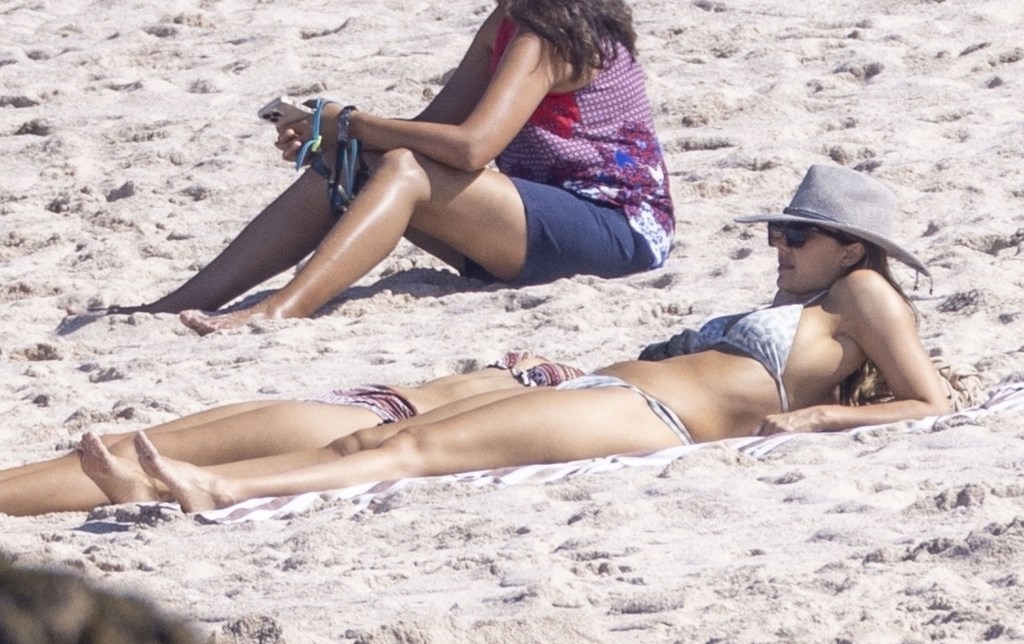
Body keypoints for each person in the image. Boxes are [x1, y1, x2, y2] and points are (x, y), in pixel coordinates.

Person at [85, 164, 954, 513]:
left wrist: (819, 422)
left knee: (417, 447)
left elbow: (932, 402)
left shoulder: (866, 294)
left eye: (796, 237)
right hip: (604, 393)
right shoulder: (816, 302)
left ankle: (218, 491)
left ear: (849, 247)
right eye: (776, 233)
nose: (779, 247)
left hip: (649, 417)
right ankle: (182, 481)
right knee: (377, 434)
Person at [104, 0, 674, 334]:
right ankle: (182, 302)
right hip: (538, 223)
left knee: (395, 166)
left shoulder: (551, 32)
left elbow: (471, 149)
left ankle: (282, 309)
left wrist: (348, 121)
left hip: (618, 228)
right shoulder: (511, 18)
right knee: (354, 165)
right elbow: (439, 129)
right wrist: (333, 137)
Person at [0, 354, 583, 516]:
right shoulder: (594, 389)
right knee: (123, 446)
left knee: (119, 459)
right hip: (356, 404)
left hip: (360, 416)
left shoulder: (578, 386)